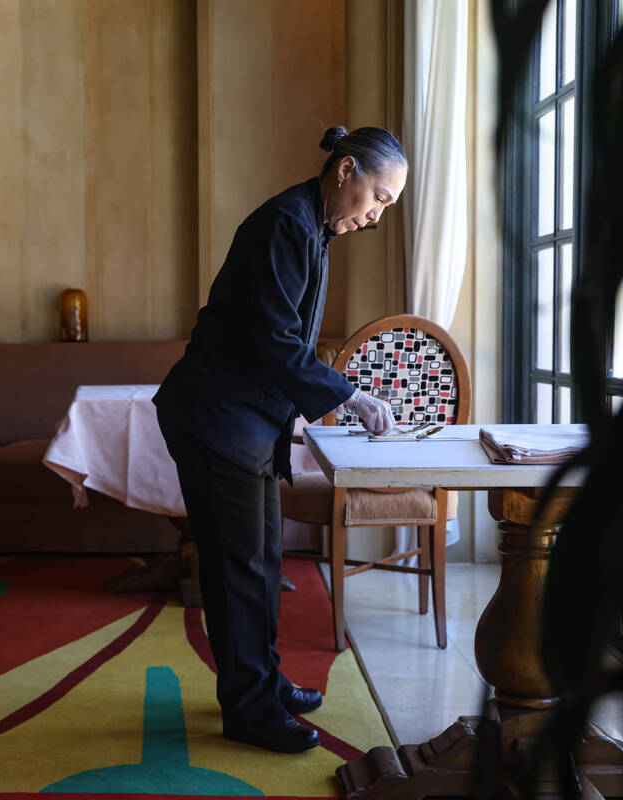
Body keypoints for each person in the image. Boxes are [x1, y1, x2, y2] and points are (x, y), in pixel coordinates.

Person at [153, 126, 407, 753]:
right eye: (378, 197)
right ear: (346, 171)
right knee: (239, 569)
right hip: (218, 420)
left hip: (247, 421)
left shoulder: (311, 225)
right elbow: (276, 343)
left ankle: (260, 683)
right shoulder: (288, 224)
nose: (375, 216)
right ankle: (248, 709)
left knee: (262, 564)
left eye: (386, 208)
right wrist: (350, 395)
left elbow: (278, 343)